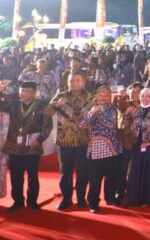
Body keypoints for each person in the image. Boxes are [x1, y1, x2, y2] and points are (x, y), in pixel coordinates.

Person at [0, 81, 52, 212]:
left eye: (26, 91)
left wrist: (40, 139)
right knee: (16, 176)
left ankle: (32, 202)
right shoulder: (13, 104)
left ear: (34, 93)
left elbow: (48, 125)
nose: (23, 94)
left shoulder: (42, 105)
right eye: (21, 91)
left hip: (32, 147)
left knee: (32, 176)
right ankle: (17, 201)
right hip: (14, 146)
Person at [46, 71, 91, 210]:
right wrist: (57, 105)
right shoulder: (60, 95)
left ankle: (81, 198)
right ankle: (66, 198)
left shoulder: (90, 97)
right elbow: (47, 112)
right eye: (72, 80)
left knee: (83, 171)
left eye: (77, 80)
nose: (74, 83)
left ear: (83, 82)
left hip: (83, 140)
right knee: (65, 171)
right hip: (65, 140)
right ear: (68, 82)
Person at [80, 85, 122, 213]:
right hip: (97, 149)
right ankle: (93, 202)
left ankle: (109, 198)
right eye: (100, 95)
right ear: (96, 96)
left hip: (113, 149)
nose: (103, 98)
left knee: (111, 177)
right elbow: (83, 125)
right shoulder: (92, 109)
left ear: (110, 97)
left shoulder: (115, 109)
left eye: (106, 95)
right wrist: (92, 112)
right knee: (95, 178)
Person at [123, 87, 150, 207]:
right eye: (143, 96)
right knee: (135, 170)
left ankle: (147, 198)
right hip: (136, 144)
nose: (145, 98)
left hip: (149, 145)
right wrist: (126, 114)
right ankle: (135, 198)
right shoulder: (134, 110)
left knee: (148, 170)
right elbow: (126, 124)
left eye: (148, 96)